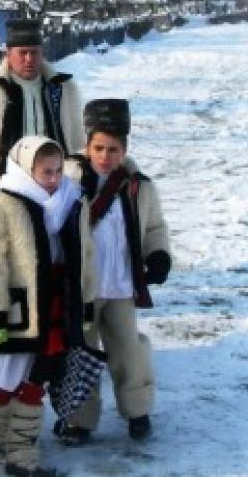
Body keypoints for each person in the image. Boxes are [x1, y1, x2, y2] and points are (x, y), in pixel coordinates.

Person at [0, 136, 93, 477]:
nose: (52, 179)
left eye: (56, 171)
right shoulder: (0, 200)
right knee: (10, 378)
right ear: (25, 169)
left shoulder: (71, 200)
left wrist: (87, 300)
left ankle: (20, 450)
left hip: (56, 303)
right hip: (18, 310)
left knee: (41, 375)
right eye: (44, 172)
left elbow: (85, 255)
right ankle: (2, 434)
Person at [53, 99, 172, 446]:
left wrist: (159, 254)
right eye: (99, 148)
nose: (105, 156)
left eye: (114, 149)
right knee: (82, 353)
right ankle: (80, 419)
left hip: (120, 285)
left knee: (128, 350)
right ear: (87, 145)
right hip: (83, 289)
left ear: (126, 148)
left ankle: (137, 410)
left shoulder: (139, 187)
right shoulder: (68, 182)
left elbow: (154, 227)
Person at [0, 19, 85, 190]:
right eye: (23, 53)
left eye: (34, 53)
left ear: (42, 54)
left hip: (52, 183)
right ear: (8, 54)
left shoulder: (62, 89)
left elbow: (77, 138)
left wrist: (77, 171)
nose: (29, 59)